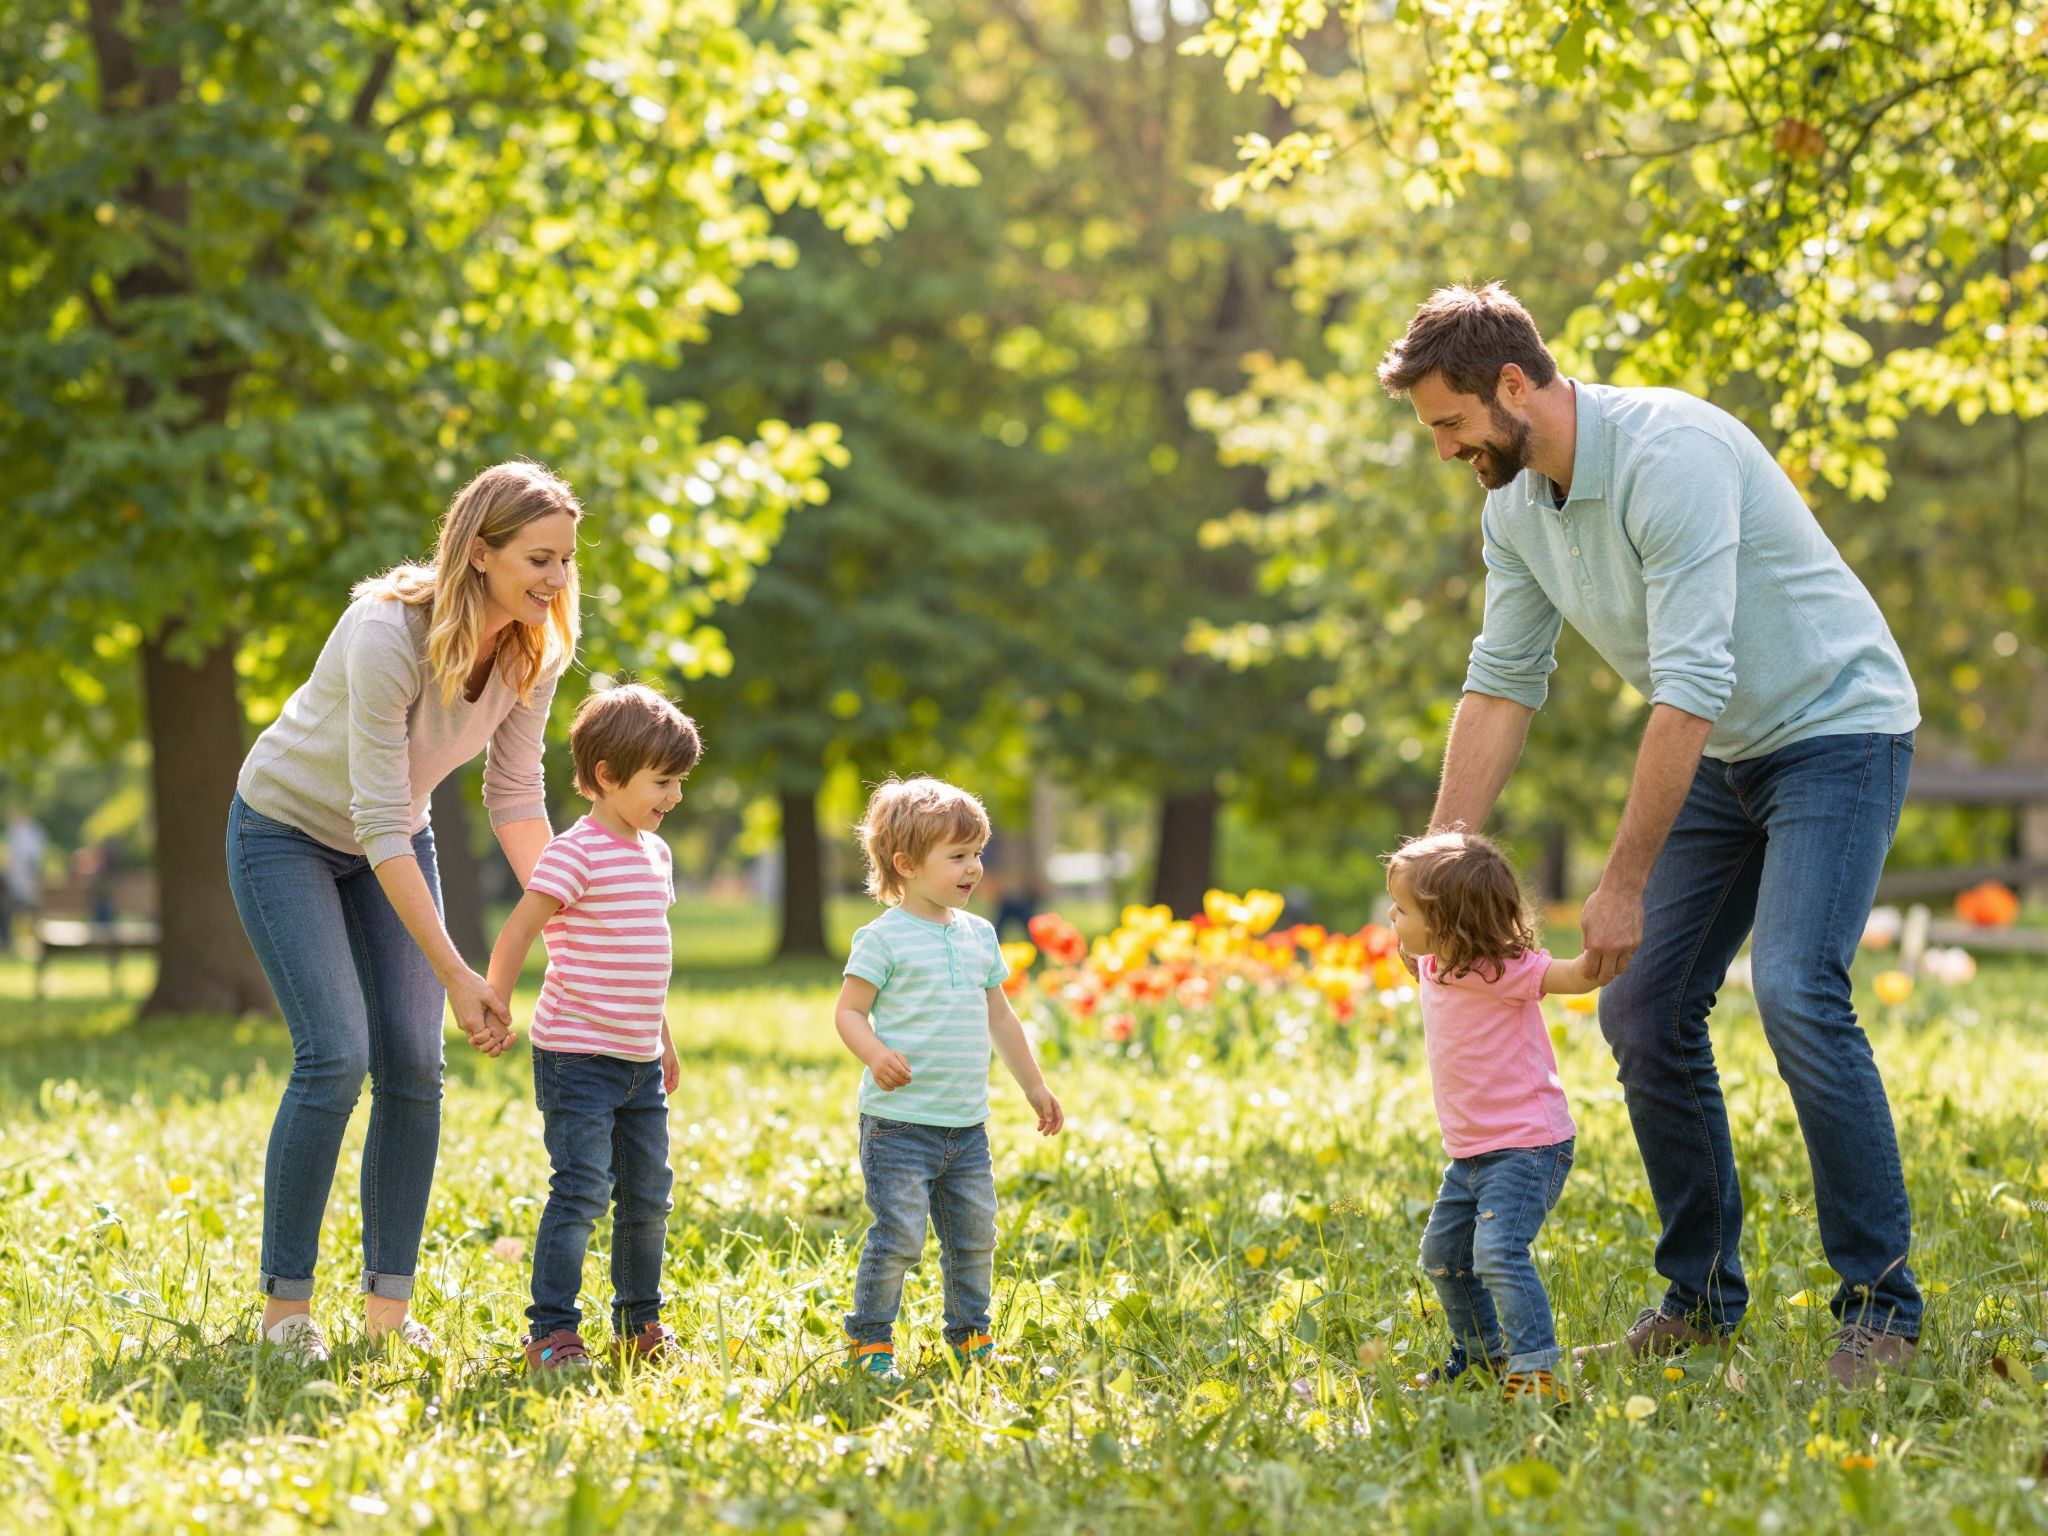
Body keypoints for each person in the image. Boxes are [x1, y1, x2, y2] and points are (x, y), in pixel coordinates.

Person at [1381, 283, 1922, 1387]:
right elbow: (1499, 685)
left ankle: (1880, 1312)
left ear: (1515, 385)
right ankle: (1700, 1300)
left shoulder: (1669, 453)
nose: (1443, 448)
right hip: (1726, 753)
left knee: (1797, 992)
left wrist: (1620, 880)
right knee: (1638, 1004)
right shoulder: (1515, 510)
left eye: (1450, 422)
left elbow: (1685, 686)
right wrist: (1436, 864)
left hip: (1837, 729)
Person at [226, 460, 582, 1364]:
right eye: (539, 559)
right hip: (287, 832)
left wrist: (570, 925)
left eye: (566, 562)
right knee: (337, 1054)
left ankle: (389, 1309)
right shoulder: (387, 633)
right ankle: (285, 1313)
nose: (555, 580)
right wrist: (456, 971)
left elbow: (515, 795)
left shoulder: (537, 646)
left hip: (389, 836)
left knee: (415, 1069)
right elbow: (375, 818)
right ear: (481, 553)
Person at [487, 684, 701, 1371]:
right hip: (577, 1056)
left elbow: (649, 952)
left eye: (680, 782)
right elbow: (519, 931)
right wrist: (494, 1001)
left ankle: (639, 1323)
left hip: (638, 1059)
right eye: (662, 782)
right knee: (580, 1187)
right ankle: (551, 1330)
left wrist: (662, 1039)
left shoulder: (655, 855)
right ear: (607, 777)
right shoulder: (573, 853)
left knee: (648, 1193)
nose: (674, 796)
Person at [834, 776, 1064, 1379]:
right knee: (899, 1239)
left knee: (974, 1237)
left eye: (977, 853)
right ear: (907, 864)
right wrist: (874, 1053)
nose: (974, 868)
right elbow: (849, 1012)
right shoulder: (882, 938)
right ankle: (871, 1340)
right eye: (957, 856)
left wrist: (1033, 1085)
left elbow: (1001, 1016)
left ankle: (969, 1334)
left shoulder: (981, 935)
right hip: (899, 1125)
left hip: (966, 1126)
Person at [1387, 831, 1599, 1403]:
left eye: (1403, 909)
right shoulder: (1433, 964)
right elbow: (1418, 957)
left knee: (1498, 1253)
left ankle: (1538, 1372)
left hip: (1529, 1146)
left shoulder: (1505, 970)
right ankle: (1481, 1357)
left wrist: (1605, 952)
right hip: (1471, 1154)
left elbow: (1573, 978)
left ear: (1447, 920)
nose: (1392, 916)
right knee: (1442, 1257)